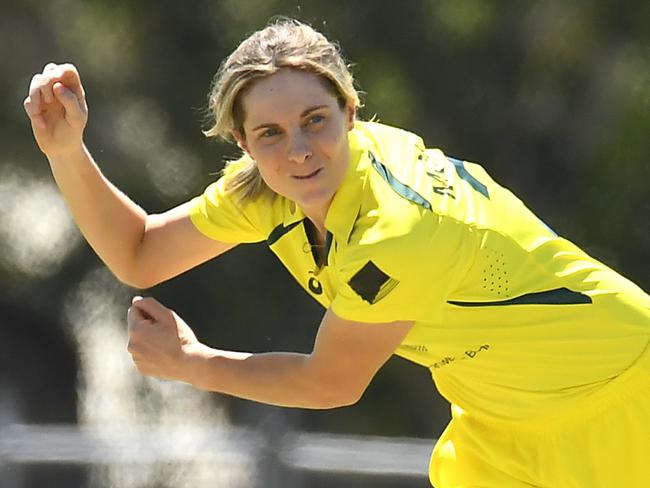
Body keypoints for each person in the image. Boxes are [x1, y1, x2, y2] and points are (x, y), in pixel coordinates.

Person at [24, 18, 650, 488]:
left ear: (350, 112)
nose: (298, 149)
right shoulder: (269, 192)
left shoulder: (394, 231)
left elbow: (331, 383)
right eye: (269, 133)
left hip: (617, 398)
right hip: (499, 421)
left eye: (315, 120)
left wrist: (193, 362)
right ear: (241, 142)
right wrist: (66, 151)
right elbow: (139, 252)